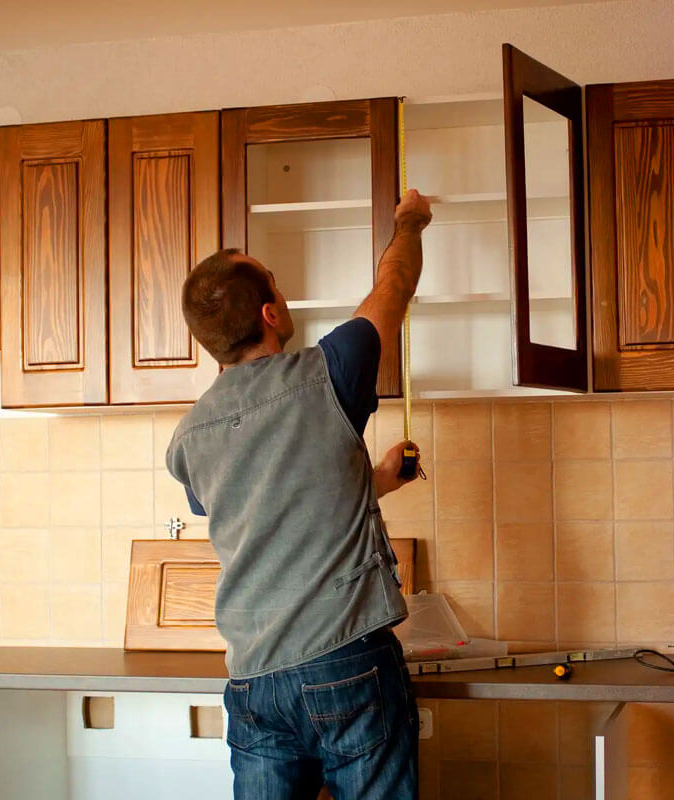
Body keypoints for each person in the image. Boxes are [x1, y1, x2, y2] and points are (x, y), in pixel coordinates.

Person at [165, 189, 433, 800]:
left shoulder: (188, 439)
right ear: (270, 314)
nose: (283, 296)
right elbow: (392, 289)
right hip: (346, 665)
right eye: (276, 286)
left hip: (254, 684)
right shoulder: (329, 372)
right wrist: (409, 224)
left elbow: (270, 505)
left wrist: (379, 483)